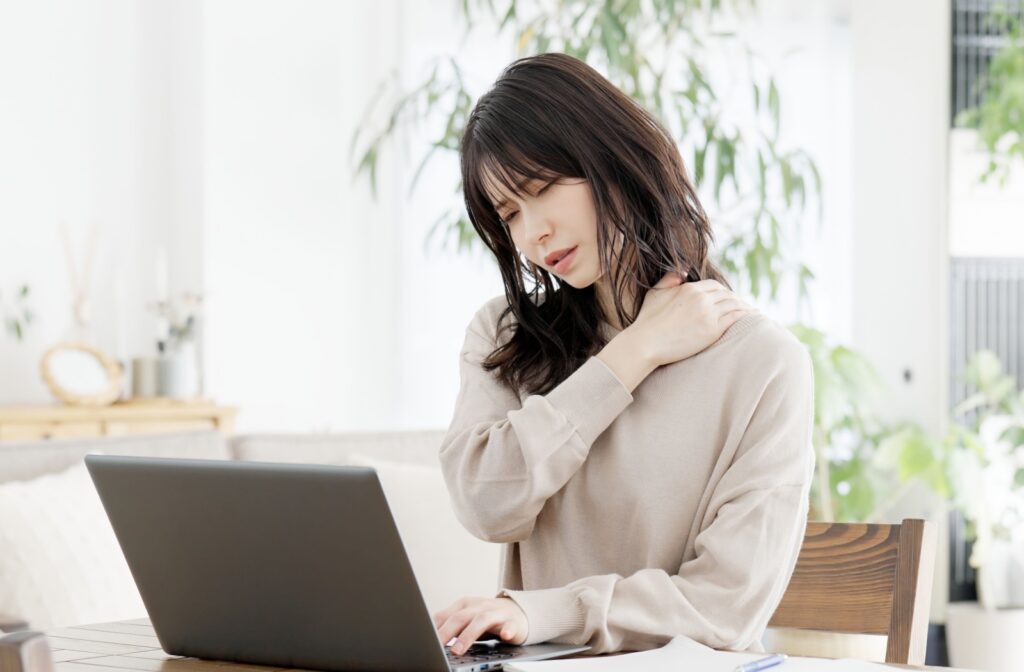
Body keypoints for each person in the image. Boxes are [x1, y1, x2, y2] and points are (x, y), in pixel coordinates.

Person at [432, 52, 815, 657]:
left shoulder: (762, 365)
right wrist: (631, 355)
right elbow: (486, 504)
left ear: (611, 159)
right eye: (509, 215)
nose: (532, 234)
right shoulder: (507, 338)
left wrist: (547, 612)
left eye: (541, 190)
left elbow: (724, 611)